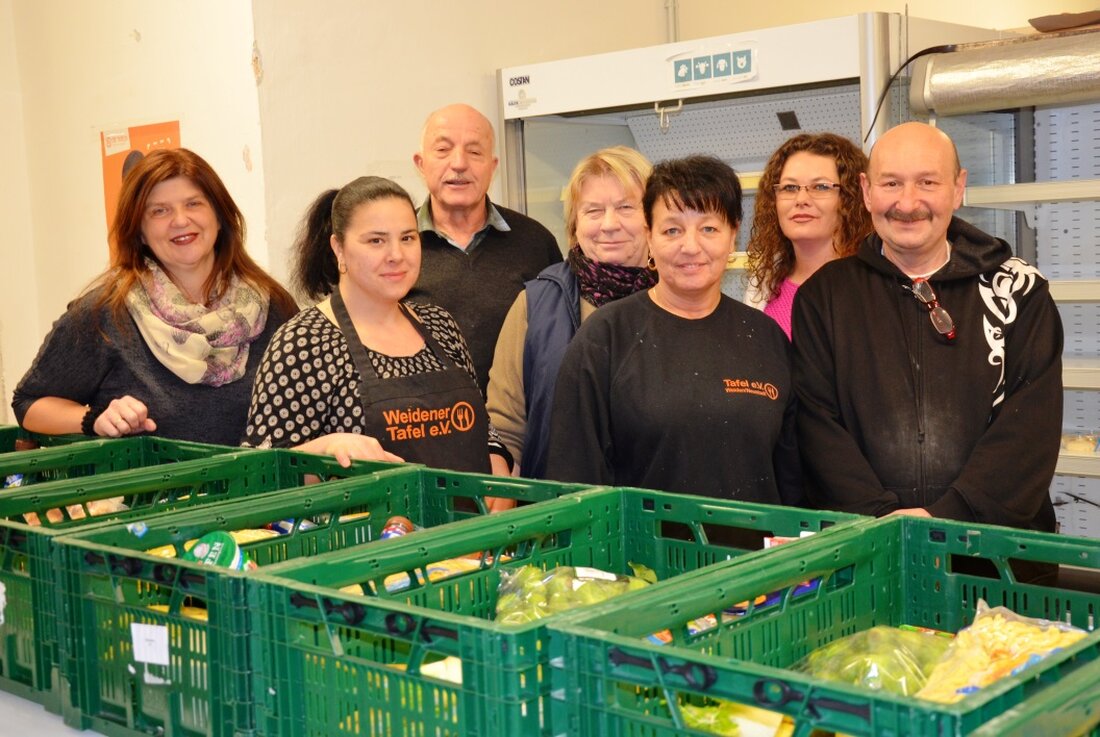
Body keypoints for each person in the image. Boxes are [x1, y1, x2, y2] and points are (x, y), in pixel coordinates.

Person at [792, 121, 1063, 532]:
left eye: (927, 182)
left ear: (958, 188)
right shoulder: (823, 298)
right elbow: (817, 426)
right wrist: (884, 523)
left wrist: (948, 516)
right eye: (891, 183)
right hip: (869, 548)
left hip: (996, 553)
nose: (908, 202)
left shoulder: (1020, 290)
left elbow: (1030, 429)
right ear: (866, 191)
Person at [545, 156, 802, 504]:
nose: (691, 246)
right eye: (672, 230)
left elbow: (791, 479)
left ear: (732, 236)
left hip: (753, 555)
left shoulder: (765, 338)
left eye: (709, 228)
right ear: (650, 237)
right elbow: (573, 482)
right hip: (642, 557)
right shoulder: (605, 337)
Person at [12, 148, 296, 446]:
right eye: (159, 211)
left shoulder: (272, 306)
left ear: (220, 216)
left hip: (261, 491)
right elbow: (29, 403)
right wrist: (95, 418)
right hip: (151, 492)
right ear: (140, 232)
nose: (181, 220)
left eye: (193, 204)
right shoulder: (104, 315)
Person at [243, 175, 513, 481]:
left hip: (467, 525)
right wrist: (327, 447)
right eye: (376, 241)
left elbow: (480, 426)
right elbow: (261, 474)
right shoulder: (304, 343)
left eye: (408, 238)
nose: (396, 255)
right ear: (339, 249)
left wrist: (497, 463)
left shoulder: (440, 326)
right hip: (364, 529)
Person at [487, 146, 655, 478]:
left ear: (654, 218)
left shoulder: (680, 301)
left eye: (625, 207)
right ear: (574, 224)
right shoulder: (535, 305)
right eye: (593, 211)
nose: (609, 224)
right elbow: (506, 430)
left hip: (657, 509)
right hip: (561, 512)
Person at [408, 103, 562, 396]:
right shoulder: (399, 248)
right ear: (420, 163)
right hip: (421, 429)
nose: (459, 164)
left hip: (518, 430)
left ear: (493, 167)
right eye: (443, 150)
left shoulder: (535, 241)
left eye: (474, 152)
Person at [745, 133, 872, 338]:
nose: (801, 199)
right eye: (790, 187)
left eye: (820, 187)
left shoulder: (870, 284)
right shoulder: (763, 282)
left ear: (850, 198)